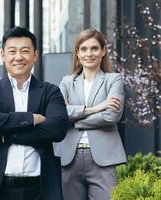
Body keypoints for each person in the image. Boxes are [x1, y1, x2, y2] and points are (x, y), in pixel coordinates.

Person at [0, 26, 69, 200]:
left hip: (39, 189)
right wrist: (30, 118)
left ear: (35, 55)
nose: (18, 57)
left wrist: (5, 132)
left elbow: (58, 128)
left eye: (25, 51)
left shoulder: (50, 91)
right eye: (12, 51)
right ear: (3, 55)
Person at [53, 29, 127, 200]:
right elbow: (60, 113)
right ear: (77, 53)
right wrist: (97, 108)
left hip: (103, 158)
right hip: (69, 158)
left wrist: (73, 120)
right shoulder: (67, 81)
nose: (89, 53)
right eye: (83, 49)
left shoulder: (113, 79)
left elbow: (111, 116)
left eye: (94, 48)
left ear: (103, 51)